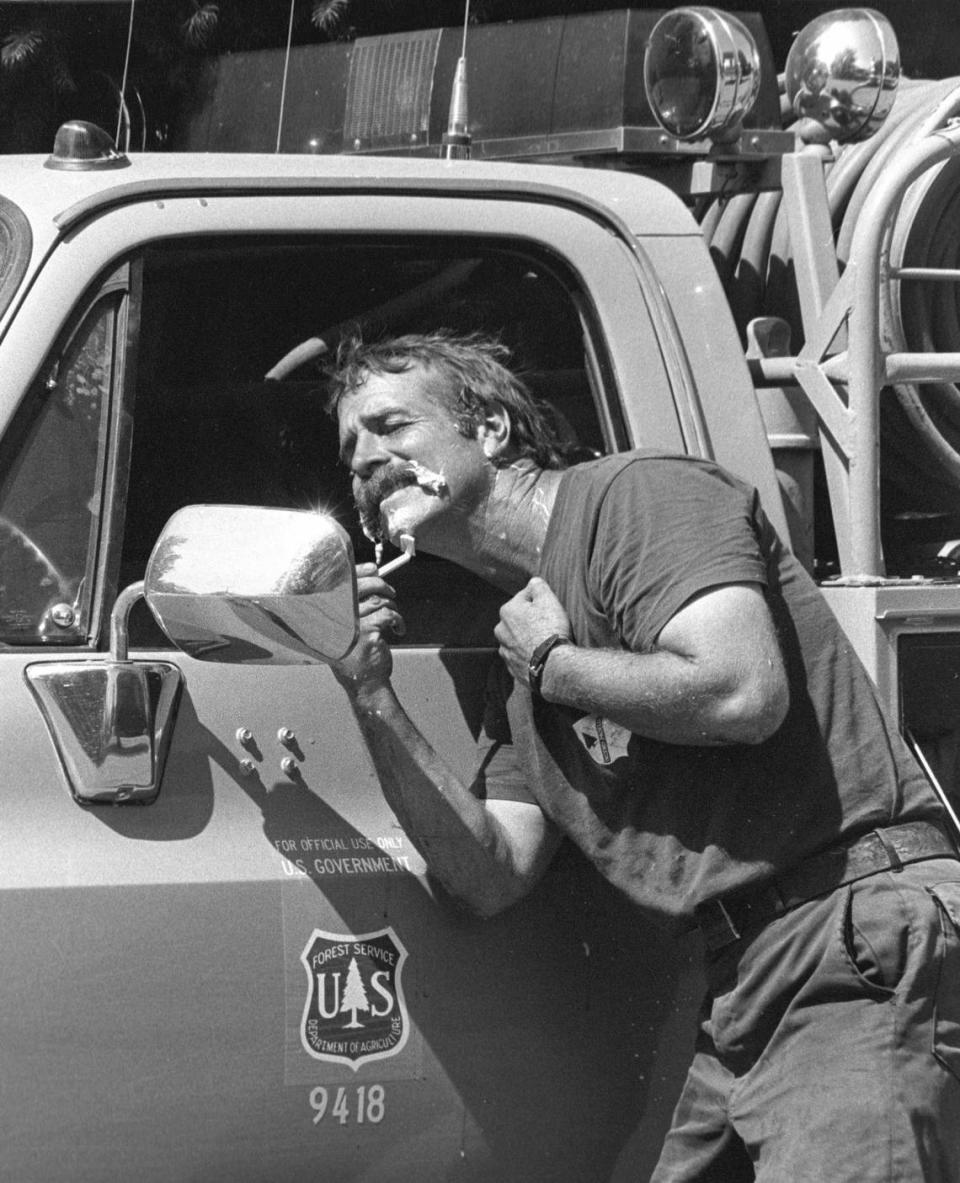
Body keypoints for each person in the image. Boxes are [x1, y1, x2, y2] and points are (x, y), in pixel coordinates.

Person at [325, 329, 960, 1182]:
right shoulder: (518, 653)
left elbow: (741, 690)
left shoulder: (636, 499)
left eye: (390, 425)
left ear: (493, 432)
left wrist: (562, 666)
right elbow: (490, 873)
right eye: (349, 448)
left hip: (847, 940)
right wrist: (369, 693)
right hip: (744, 983)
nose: (365, 458)